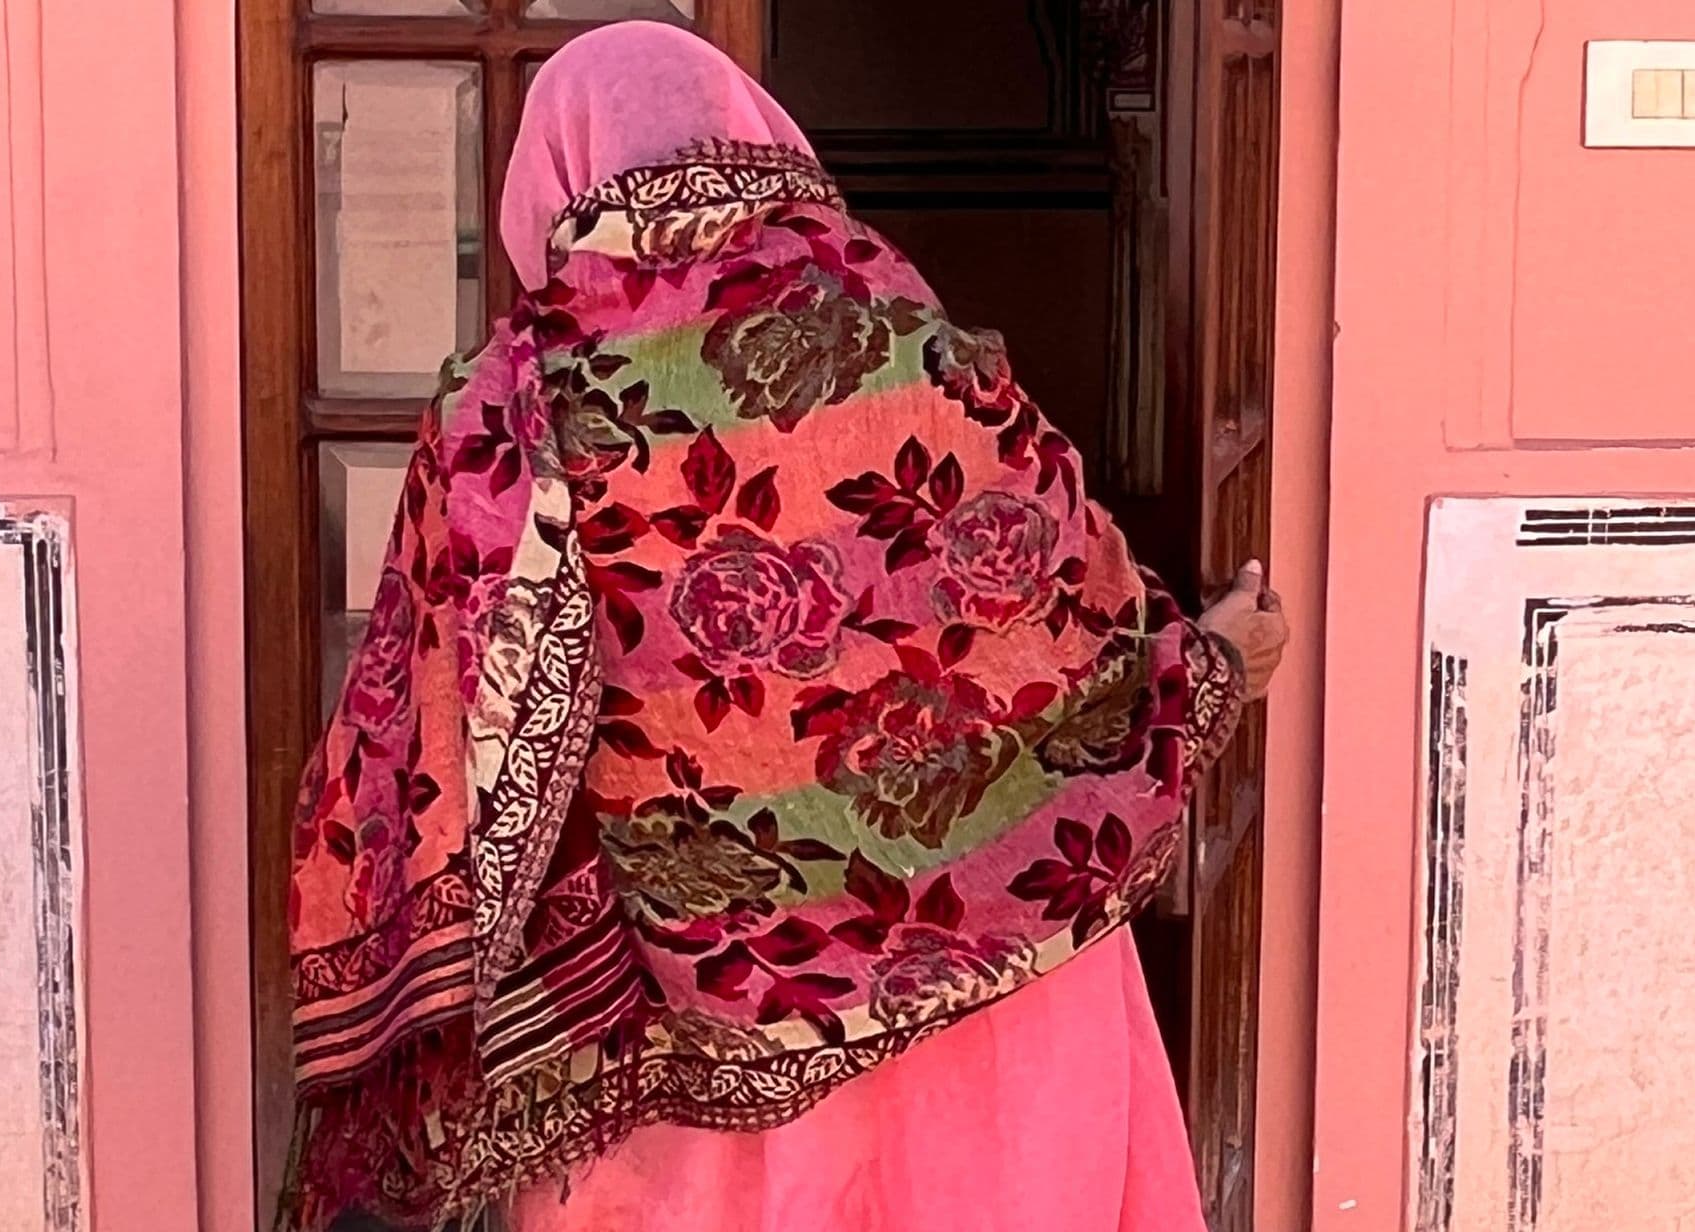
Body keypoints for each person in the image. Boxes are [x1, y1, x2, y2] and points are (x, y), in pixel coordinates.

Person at [285, 22, 1291, 1232]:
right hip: (992, 997)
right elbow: (1071, 635)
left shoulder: (511, 405)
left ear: (551, 176)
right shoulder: (905, 346)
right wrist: (1215, 659)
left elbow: (426, 740)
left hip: (687, 1048)